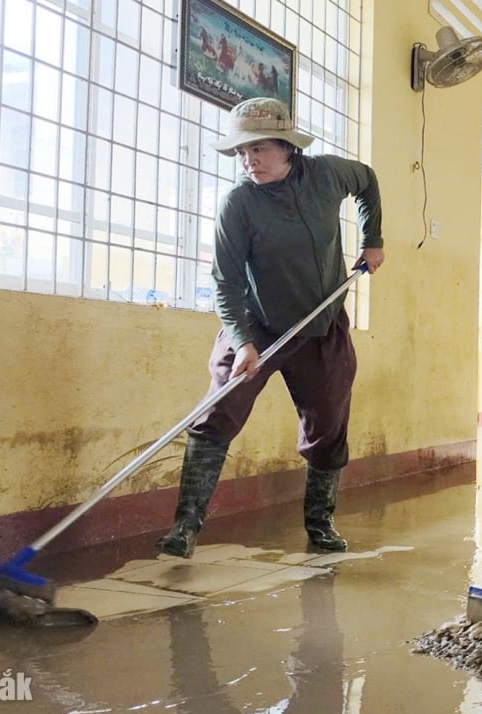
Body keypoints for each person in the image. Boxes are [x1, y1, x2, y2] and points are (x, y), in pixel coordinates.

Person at [155, 97, 385, 558]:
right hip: (256, 326)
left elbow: (368, 182)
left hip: (321, 325)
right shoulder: (238, 203)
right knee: (215, 415)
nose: (248, 160)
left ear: (287, 147)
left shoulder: (327, 175)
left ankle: (320, 525)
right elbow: (226, 282)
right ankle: (185, 527)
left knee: (329, 422)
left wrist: (372, 239)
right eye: (241, 152)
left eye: (258, 149)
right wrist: (241, 343)